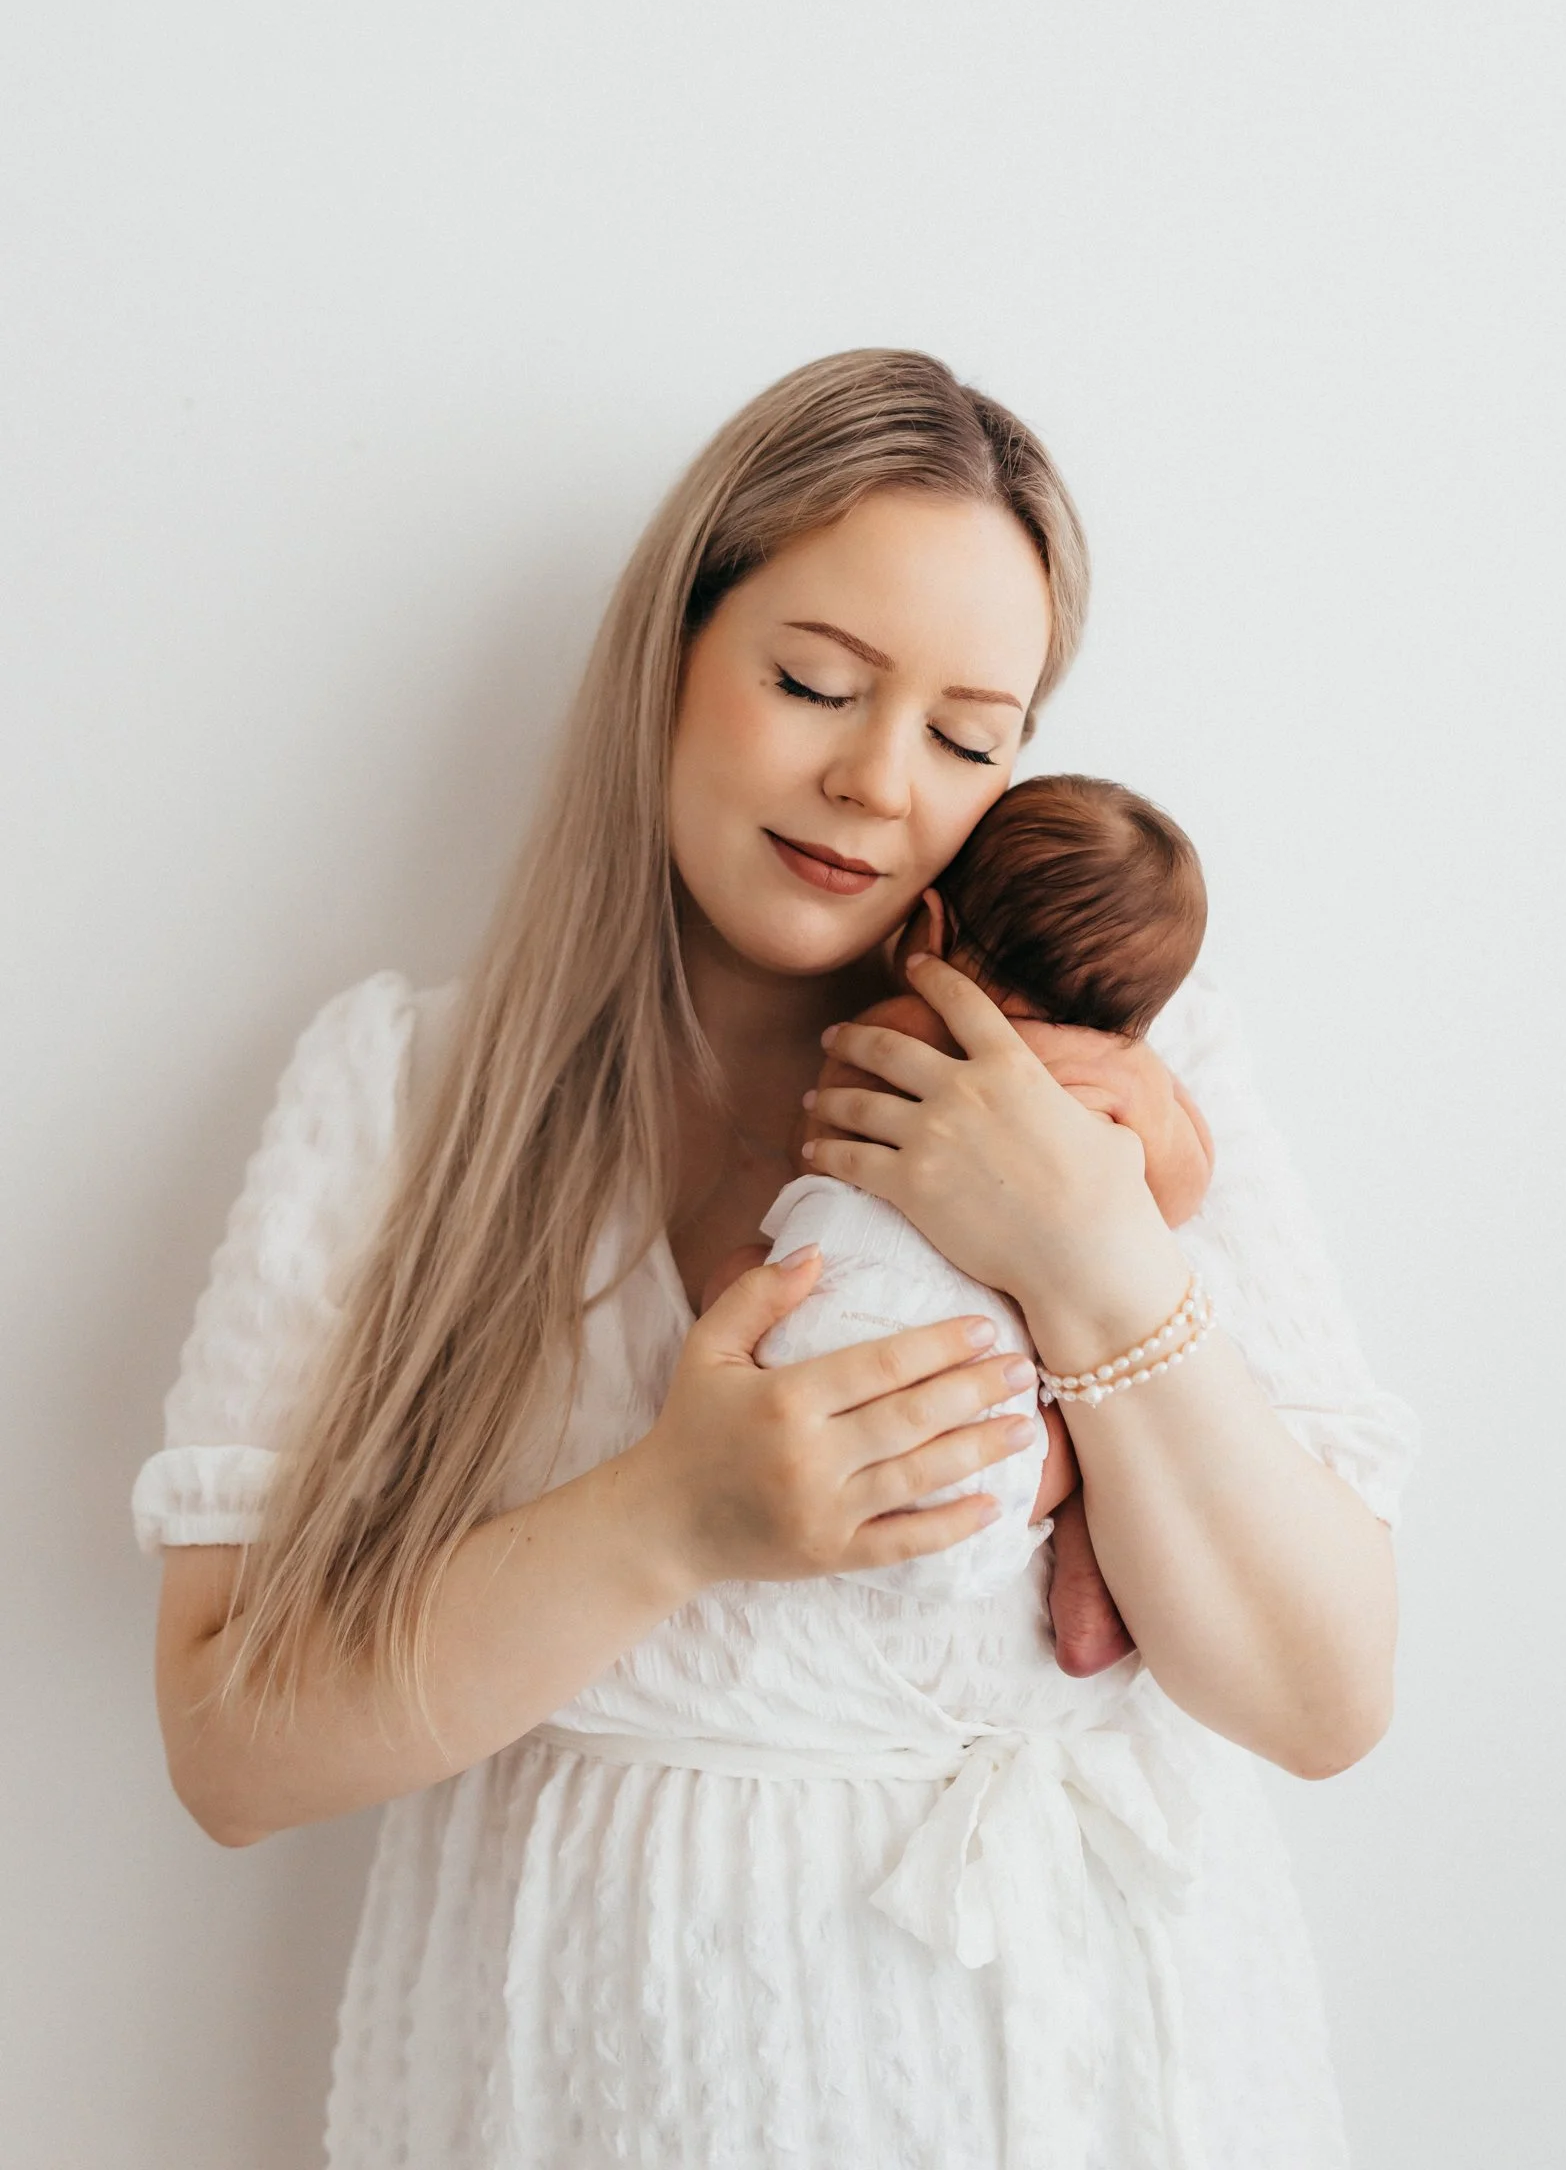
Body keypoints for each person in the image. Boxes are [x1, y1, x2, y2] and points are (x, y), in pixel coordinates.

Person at [132, 349, 1420, 2169]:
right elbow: (231, 1749)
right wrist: (670, 1515)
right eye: (816, 681)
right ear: (671, 656)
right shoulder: (412, 1093)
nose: (876, 781)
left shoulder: (1136, 1090)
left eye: (969, 735)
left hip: (1112, 2080)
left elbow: (1322, 1695)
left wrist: (1089, 1252)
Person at [700, 771, 1217, 1680]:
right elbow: (1179, 1199)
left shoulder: (906, 1024)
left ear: (927, 930)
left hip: (817, 1394)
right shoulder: (1128, 1091)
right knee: (1090, 1412)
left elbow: (819, 1132)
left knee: (745, 1271)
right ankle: (1081, 1557)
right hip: (993, 1453)